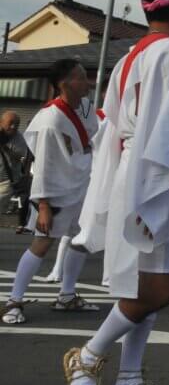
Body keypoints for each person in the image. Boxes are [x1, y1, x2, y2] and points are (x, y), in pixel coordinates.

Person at [65, 0, 169, 385]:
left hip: (134, 166)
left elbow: (112, 123)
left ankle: (129, 380)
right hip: (150, 170)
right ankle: (87, 358)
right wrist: (166, 183)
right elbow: (164, 129)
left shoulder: (131, 56)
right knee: (159, 289)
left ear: (147, 11)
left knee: (144, 282)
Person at [2, 60, 100, 324]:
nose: (87, 81)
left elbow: (94, 135)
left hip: (82, 184)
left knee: (82, 240)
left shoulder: (85, 107)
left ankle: (67, 295)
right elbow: (42, 164)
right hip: (56, 191)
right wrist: (43, 204)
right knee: (42, 244)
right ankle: (14, 301)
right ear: (65, 83)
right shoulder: (49, 119)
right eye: (81, 77)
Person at [1, 110, 33, 231]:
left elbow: (20, 156)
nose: (13, 126)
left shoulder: (18, 138)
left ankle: (22, 223)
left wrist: (5, 147)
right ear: (1, 122)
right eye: (10, 123)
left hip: (6, 181)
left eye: (17, 124)